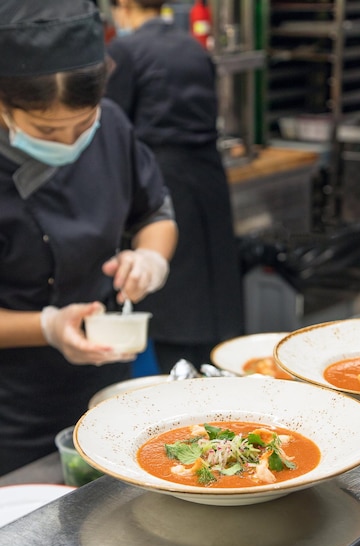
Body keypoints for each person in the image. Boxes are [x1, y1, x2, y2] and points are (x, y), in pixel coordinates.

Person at [0, 0, 178, 475]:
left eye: (82, 124)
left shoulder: (112, 126)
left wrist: (149, 258)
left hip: (105, 388)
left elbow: (155, 210)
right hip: (11, 411)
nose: (67, 142)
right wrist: (46, 326)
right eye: (45, 129)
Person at [105, 0, 244, 373]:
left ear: (127, 5)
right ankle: (215, 369)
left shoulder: (124, 50)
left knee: (176, 292)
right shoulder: (190, 45)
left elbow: (111, 125)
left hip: (163, 178)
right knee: (215, 286)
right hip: (209, 177)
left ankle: (179, 375)